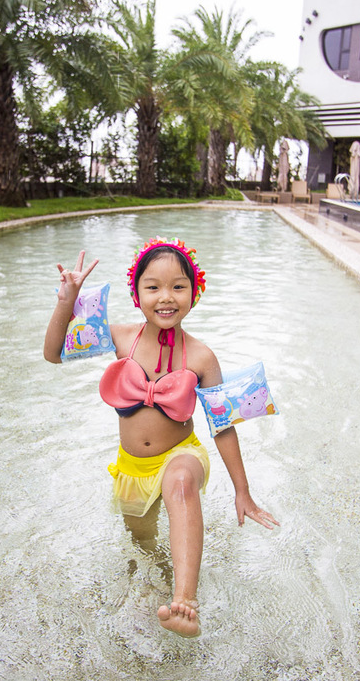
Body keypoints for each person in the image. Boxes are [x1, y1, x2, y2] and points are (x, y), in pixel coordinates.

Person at [44, 238, 280, 638]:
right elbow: (53, 353)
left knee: (183, 483)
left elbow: (222, 427)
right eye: (153, 287)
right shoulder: (120, 338)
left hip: (181, 454)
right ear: (136, 295)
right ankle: (160, 591)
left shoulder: (202, 357)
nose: (166, 297)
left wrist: (243, 490)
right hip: (132, 467)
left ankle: (186, 601)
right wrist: (67, 300)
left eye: (178, 286)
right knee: (145, 547)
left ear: (195, 292)